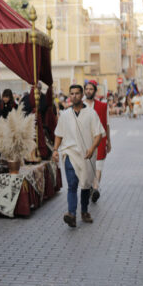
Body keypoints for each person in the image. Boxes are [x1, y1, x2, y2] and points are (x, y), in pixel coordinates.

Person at [52, 85, 105, 228]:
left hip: (87, 155)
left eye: (77, 93)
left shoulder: (91, 113)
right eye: (72, 94)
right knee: (72, 185)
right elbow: (59, 134)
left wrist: (92, 148)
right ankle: (72, 214)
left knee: (85, 185)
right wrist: (55, 150)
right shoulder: (65, 115)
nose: (74, 96)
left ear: (82, 95)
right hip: (70, 154)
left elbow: (98, 134)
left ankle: (84, 211)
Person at [83, 80, 110, 203]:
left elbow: (107, 124)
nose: (88, 91)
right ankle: (91, 187)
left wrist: (109, 141)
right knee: (88, 167)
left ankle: (95, 188)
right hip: (84, 140)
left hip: (100, 140)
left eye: (91, 89)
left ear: (95, 91)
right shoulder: (80, 105)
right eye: (87, 89)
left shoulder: (103, 106)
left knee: (98, 166)